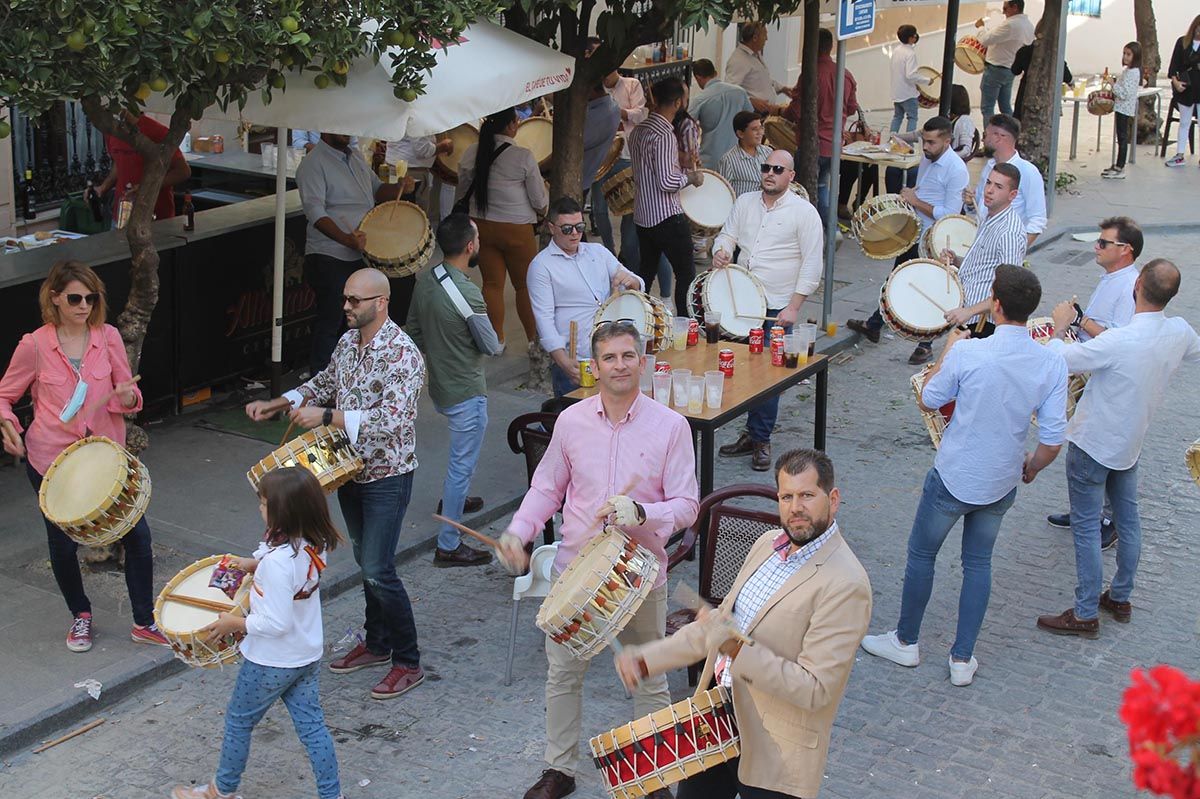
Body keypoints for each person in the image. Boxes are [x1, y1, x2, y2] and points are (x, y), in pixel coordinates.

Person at [495, 321, 699, 799]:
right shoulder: (570, 421)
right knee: (563, 676)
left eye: (628, 356)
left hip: (638, 576)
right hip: (576, 574)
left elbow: (689, 505)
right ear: (595, 366)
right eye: (609, 358)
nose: (620, 365)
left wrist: (643, 510)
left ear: (642, 362)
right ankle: (559, 770)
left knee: (649, 680)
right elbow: (547, 486)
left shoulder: (672, 427)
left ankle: (653, 775)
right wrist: (519, 532)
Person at [614, 449, 872, 799]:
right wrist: (648, 659)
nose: (795, 507)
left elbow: (815, 689)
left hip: (776, 751)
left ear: (833, 499)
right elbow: (716, 628)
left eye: (807, 495)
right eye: (786, 496)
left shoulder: (847, 584)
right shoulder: (766, 544)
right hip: (716, 723)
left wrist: (736, 649)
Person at [861, 265, 1067, 687]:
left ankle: (906, 641)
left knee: (922, 556)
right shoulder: (1050, 362)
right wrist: (1031, 468)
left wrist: (947, 352)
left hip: (955, 474)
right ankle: (961, 658)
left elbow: (930, 398)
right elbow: (1051, 439)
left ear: (995, 304)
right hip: (1002, 479)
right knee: (978, 564)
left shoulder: (971, 352)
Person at [245, 268, 426, 701]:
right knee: (366, 561)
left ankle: (408, 660)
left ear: (380, 302)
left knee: (379, 568)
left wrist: (327, 417)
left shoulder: (404, 355)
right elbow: (325, 382)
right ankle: (377, 642)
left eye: (355, 300)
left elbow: (394, 421)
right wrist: (282, 400)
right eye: (345, 298)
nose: (345, 306)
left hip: (388, 474)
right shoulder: (348, 343)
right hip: (349, 470)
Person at [0, 260, 166, 653]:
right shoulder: (35, 344)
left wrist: (128, 397)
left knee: (138, 537)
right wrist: (9, 426)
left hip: (105, 461)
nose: (83, 306)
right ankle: (81, 616)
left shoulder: (107, 337)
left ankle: (144, 620)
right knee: (62, 545)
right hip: (53, 462)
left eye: (91, 298)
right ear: (54, 298)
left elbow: (129, 395)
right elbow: (4, 396)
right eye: (75, 298)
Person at [1037, 260, 1200, 638]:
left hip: (1093, 443)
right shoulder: (1179, 331)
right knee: (1128, 522)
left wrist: (1060, 324)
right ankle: (1121, 596)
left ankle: (1084, 611)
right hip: (1130, 444)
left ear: (1137, 284)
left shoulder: (1120, 340)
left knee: (1085, 528)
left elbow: (1055, 358)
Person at [170, 468, 345, 799]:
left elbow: (276, 622)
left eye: (264, 503)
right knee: (312, 728)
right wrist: (251, 565)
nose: (259, 508)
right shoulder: (313, 542)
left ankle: (221, 791)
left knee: (238, 722)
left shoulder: (278, 562)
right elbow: (293, 582)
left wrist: (233, 624)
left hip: (271, 660)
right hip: (305, 653)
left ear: (283, 511)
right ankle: (332, 795)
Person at [712, 150, 824, 471]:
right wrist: (721, 251)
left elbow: (812, 264)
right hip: (739, 301)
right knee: (743, 369)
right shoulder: (745, 202)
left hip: (777, 305)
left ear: (791, 176)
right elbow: (727, 234)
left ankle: (761, 438)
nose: (770, 173)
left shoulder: (804, 213)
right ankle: (750, 432)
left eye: (778, 169)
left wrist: (794, 306)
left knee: (767, 376)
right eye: (766, 167)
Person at [405, 215, 503, 568]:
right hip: (466, 389)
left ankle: (453, 501)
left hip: (441, 387)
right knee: (462, 464)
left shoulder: (426, 281)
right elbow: (490, 345)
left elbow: (413, 332)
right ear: (471, 247)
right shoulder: (468, 291)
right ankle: (448, 544)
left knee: (461, 460)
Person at [1044, 217, 1143, 548]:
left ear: (1125, 250)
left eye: (1103, 243)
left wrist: (1077, 320)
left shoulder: (1130, 286)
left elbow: (1120, 337)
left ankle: (1106, 519)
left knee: (1100, 450)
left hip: (1107, 378)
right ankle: (1084, 511)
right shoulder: (1111, 277)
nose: (1096, 247)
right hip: (1091, 370)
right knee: (1084, 444)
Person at [845, 117, 970, 365]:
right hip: (913, 230)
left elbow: (950, 214)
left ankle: (925, 344)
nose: (926, 147)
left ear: (947, 141)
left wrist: (914, 201)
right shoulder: (929, 157)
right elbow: (923, 191)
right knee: (896, 278)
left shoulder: (956, 170)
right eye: (925, 141)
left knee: (925, 288)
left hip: (932, 239)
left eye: (932, 142)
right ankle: (875, 324)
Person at [295, 132, 411, 374]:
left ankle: (349, 375)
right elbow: (315, 212)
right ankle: (321, 381)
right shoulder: (313, 164)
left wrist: (399, 187)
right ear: (326, 130)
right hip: (329, 254)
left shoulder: (355, 157)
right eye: (342, 128)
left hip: (359, 254)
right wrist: (345, 239)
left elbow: (377, 190)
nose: (348, 132)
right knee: (332, 320)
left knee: (357, 321)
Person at [528, 197, 643, 397]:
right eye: (567, 229)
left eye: (580, 227)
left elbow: (637, 283)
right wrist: (562, 361)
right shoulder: (541, 266)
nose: (574, 234)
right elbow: (543, 318)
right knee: (577, 420)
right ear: (551, 227)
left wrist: (632, 281)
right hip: (578, 358)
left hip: (612, 353)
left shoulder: (597, 251)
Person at [455, 107, 549, 352]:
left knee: (492, 284)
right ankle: (533, 341)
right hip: (517, 229)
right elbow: (540, 201)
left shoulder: (471, 153)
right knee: (524, 285)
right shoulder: (522, 156)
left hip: (482, 226)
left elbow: (461, 190)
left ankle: (497, 340)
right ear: (510, 126)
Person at [629, 76, 704, 316]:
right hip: (666, 216)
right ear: (677, 103)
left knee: (645, 272)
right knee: (685, 273)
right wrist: (691, 178)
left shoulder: (639, 131)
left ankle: (637, 316)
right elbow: (666, 181)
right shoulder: (664, 135)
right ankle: (684, 321)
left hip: (643, 215)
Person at [942, 163, 1027, 339]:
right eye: (989, 183)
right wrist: (956, 260)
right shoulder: (990, 216)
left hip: (984, 323)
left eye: (998, 187)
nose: (989, 190)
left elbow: (1009, 290)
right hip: (969, 315)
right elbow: (985, 264)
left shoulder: (1009, 233)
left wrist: (969, 311)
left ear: (1013, 195)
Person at [784, 28, 858, 226]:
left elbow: (797, 111)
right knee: (823, 187)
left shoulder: (810, 73)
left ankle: (828, 229)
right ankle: (829, 229)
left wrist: (781, 112)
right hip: (834, 144)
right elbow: (851, 108)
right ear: (831, 46)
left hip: (811, 143)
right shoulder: (845, 74)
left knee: (806, 192)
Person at [90, 111, 191, 224]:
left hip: (156, 217)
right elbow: (119, 162)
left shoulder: (157, 131)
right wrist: (103, 187)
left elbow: (183, 171)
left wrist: (146, 187)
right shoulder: (112, 131)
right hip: (122, 215)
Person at [592, 66, 649, 267]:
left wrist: (615, 111)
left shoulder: (631, 85)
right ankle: (609, 249)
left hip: (627, 152)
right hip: (602, 154)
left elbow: (640, 113)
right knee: (599, 208)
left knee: (628, 205)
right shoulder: (595, 88)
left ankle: (626, 252)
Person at [970, 114, 1046, 247]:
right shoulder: (988, 166)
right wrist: (969, 202)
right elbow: (979, 205)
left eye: (985, 135)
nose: (983, 140)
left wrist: (1016, 250)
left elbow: (1037, 220)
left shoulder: (1028, 172)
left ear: (999, 137)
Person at [974, 0, 1035, 119]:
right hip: (1009, 69)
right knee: (1005, 107)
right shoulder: (1028, 25)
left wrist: (981, 27)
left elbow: (985, 40)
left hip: (996, 68)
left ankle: (990, 136)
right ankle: (1012, 133)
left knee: (987, 108)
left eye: (1005, 9)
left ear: (1015, 8)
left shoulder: (1011, 25)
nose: (1003, 12)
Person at [690, 58, 754, 171]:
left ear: (697, 78)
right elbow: (751, 118)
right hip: (739, 157)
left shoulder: (700, 99)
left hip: (711, 160)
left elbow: (687, 125)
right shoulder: (739, 92)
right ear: (715, 73)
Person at [725, 21, 792, 115]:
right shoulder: (738, 60)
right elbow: (730, 90)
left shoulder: (756, 55)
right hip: (752, 114)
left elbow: (763, 80)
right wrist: (751, 101)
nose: (767, 39)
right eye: (764, 35)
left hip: (764, 112)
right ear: (755, 38)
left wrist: (783, 88)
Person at [1010, 20, 1072, 121]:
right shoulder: (1055, 54)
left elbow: (1015, 70)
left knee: (1022, 122)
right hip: (1047, 93)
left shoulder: (1024, 51)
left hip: (1026, 92)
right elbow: (1067, 76)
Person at [385, 134, 456, 220]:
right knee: (413, 218)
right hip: (411, 171)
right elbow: (422, 149)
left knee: (398, 215)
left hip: (399, 166)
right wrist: (442, 147)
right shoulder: (418, 120)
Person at [1165, 14, 1200, 167]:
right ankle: (1180, 154)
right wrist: (1176, 82)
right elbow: (1174, 66)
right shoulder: (1182, 42)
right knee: (1184, 122)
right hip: (1186, 87)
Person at [1104, 42, 1143, 179]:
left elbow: (1125, 93)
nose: (1125, 57)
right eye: (1124, 54)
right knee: (1120, 136)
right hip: (1120, 107)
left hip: (1124, 108)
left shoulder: (1133, 73)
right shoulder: (1128, 71)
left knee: (1122, 137)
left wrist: (1112, 84)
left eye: (1129, 54)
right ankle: (1117, 165)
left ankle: (1120, 167)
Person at [718, 111, 775, 196]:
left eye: (761, 128)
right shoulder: (728, 160)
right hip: (743, 207)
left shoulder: (768, 152)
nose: (760, 133)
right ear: (740, 134)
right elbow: (723, 192)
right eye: (754, 129)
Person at [581, 81, 621, 198]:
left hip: (580, 175)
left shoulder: (600, 114)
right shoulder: (610, 106)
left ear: (591, 90)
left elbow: (572, 145)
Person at [890, 25, 931, 134]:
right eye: (914, 34)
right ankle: (909, 143)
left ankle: (891, 140)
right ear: (910, 38)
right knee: (912, 118)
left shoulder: (896, 50)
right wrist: (927, 80)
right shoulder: (910, 53)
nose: (916, 36)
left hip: (897, 92)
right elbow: (911, 75)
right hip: (908, 93)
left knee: (897, 117)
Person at [950, 84, 979, 160]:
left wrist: (946, 158)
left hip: (952, 164)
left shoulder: (965, 121)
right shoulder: (948, 117)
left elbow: (965, 150)